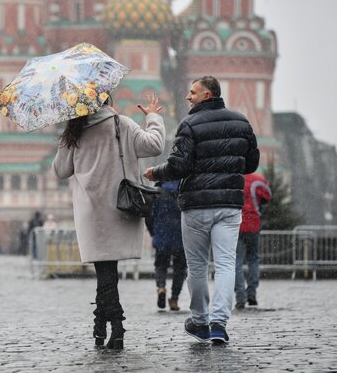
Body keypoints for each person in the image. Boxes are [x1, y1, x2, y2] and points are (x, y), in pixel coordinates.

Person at [143, 76, 260, 344]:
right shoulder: (241, 121)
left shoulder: (189, 124)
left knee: (196, 266)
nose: (188, 96)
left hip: (196, 205)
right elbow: (251, 163)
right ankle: (219, 323)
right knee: (226, 264)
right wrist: (226, 169)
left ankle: (199, 320)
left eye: (193, 92)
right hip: (229, 205)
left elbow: (178, 166)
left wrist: (155, 173)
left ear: (207, 95)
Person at [52, 93, 165, 350]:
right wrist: (153, 117)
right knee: (107, 272)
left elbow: (60, 170)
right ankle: (110, 327)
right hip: (119, 207)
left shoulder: (75, 131)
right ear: (107, 101)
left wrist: (65, 136)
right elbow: (155, 145)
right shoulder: (121, 124)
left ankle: (108, 327)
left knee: (105, 271)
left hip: (91, 213)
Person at [145, 181, 187, 311]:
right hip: (181, 236)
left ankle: (161, 287)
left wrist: (154, 232)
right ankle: (174, 299)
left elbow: (149, 215)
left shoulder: (157, 192)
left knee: (160, 265)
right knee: (180, 269)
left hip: (162, 235)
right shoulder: (184, 190)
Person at [235, 173, 271, 309]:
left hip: (236, 225)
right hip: (253, 224)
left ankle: (240, 296)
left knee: (236, 262)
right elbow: (267, 196)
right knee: (253, 259)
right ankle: (252, 293)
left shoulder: (233, 178)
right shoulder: (258, 181)